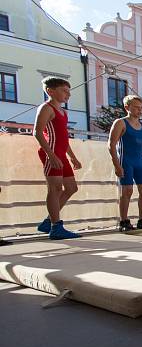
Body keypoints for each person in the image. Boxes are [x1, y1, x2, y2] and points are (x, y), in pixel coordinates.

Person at [34, 77, 82, 239]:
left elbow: (64, 138)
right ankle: (56, 227)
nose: (68, 95)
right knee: (55, 189)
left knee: (71, 188)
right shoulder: (46, 108)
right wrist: (50, 154)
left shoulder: (63, 112)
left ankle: (49, 221)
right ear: (50, 91)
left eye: (69, 92)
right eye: (64, 91)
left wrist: (73, 157)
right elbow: (37, 132)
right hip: (52, 152)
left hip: (61, 153)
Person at [107, 95, 142, 232]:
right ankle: (124, 221)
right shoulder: (120, 123)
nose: (140, 111)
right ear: (127, 107)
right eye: (136, 107)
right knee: (127, 191)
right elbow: (111, 145)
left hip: (139, 162)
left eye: (141, 108)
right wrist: (117, 165)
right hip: (126, 162)